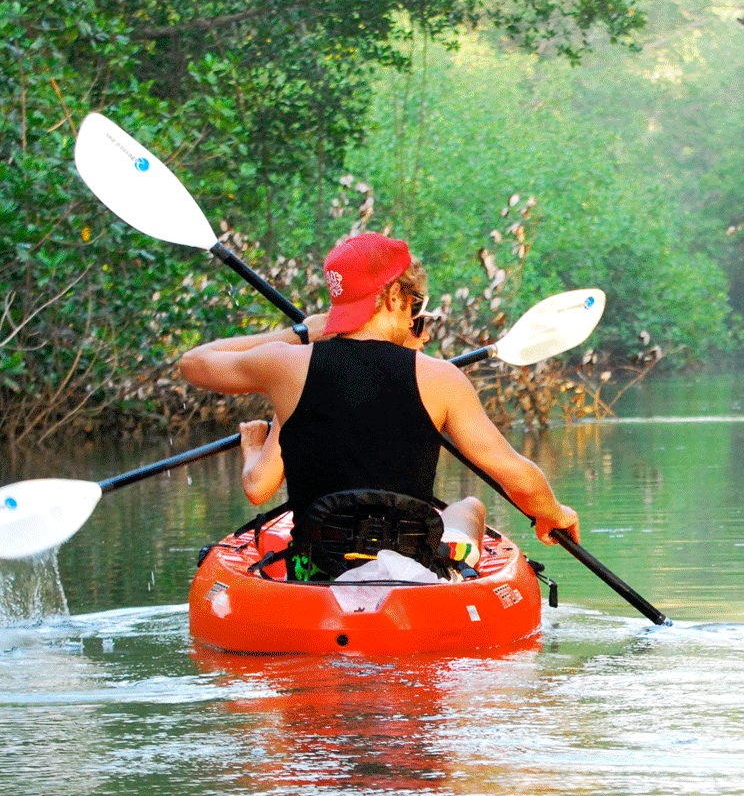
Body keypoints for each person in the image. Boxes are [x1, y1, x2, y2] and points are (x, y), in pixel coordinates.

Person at [178, 232, 579, 580]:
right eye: (416, 302)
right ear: (392, 296)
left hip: (316, 571)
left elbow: (195, 362)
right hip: (415, 572)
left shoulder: (284, 365)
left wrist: (298, 333)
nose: (416, 314)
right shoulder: (439, 378)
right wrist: (554, 513)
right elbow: (517, 474)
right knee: (469, 507)